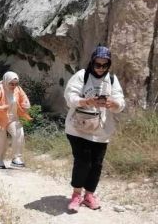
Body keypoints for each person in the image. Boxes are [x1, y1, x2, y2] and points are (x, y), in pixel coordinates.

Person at [64, 46, 125, 212]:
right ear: (92, 62)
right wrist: (86, 101)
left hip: (102, 130)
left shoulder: (112, 79)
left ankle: (89, 195)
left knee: (97, 164)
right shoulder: (82, 76)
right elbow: (70, 97)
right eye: (97, 65)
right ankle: (76, 195)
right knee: (83, 161)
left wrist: (114, 104)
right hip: (78, 128)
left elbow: (120, 100)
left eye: (105, 65)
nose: (100, 68)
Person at [0, 71, 31, 169]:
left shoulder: (18, 89)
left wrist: (26, 105)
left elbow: (24, 100)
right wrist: (1, 108)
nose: (14, 86)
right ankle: (0, 160)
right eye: (11, 84)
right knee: (0, 140)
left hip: (12, 118)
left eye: (16, 84)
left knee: (19, 133)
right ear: (6, 82)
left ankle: (16, 158)